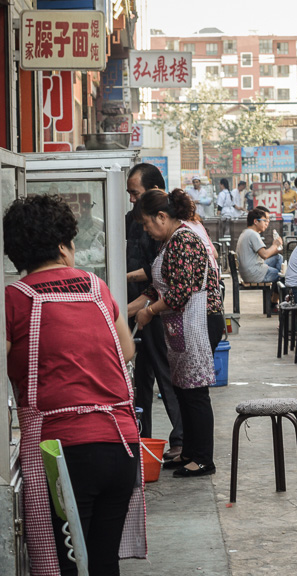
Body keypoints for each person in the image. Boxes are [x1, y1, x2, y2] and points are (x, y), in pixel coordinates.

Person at [4, 194, 144, 574]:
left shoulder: (13, 299)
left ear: (15, 256)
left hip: (62, 453)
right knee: (102, 562)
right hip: (121, 443)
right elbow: (126, 351)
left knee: (68, 566)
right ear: (65, 246)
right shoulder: (96, 288)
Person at [131, 189, 223, 478]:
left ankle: (203, 459)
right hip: (183, 324)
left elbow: (181, 292)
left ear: (162, 216)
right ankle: (188, 452)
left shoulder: (183, 239)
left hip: (200, 321)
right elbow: (158, 288)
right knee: (182, 389)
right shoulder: (170, 240)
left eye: (147, 223)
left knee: (195, 391)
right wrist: (126, 309)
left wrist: (148, 312)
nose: (147, 230)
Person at [125, 163, 183, 459]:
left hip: (156, 309)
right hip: (136, 310)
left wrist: (146, 302)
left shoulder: (174, 234)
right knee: (140, 381)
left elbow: (165, 277)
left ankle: (181, 438)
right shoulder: (127, 220)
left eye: (135, 193)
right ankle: (142, 438)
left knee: (166, 373)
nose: (132, 199)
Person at [236, 207, 284, 284]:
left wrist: (275, 247)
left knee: (278, 258)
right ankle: (276, 294)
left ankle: (275, 293)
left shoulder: (246, 232)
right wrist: (275, 245)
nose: (266, 223)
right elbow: (264, 255)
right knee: (282, 275)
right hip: (255, 274)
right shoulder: (253, 234)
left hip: (249, 272)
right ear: (255, 221)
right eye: (264, 221)